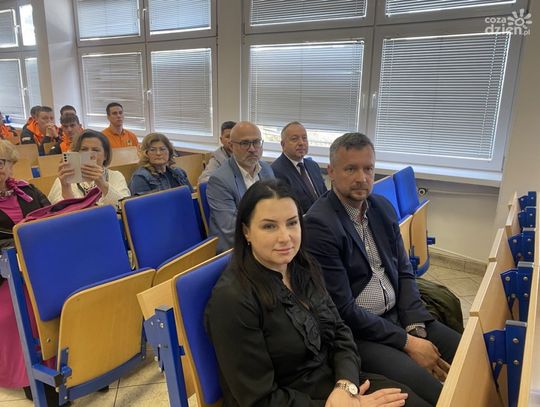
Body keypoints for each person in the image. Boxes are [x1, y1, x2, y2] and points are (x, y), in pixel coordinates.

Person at [206, 179, 431, 407]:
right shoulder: (233, 299)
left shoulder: (302, 266)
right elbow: (258, 399)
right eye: (269, 226)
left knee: (422, 400)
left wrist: (345, 386)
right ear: (246, 231)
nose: (285, 237)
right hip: (292, 401)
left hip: (338, 387)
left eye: (292, 223)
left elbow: (341, 333)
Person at [304, 133, 461, 406]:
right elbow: (344, 310)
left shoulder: (381, 208)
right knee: (434, 393)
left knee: (471, 353)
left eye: (368, 168)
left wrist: (415, 327)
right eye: (350, 169)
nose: (361, 178)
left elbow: (404, 271)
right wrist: (407, 342)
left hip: (399, 314)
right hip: (360, 333)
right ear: (331, 172)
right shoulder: (320, 224)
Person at [0, 140, 52, 399]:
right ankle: (29, 375)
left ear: (10, 165)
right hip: (5, 276)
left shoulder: (28, 190)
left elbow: (51, 218)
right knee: (18, 310)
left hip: (40, 265)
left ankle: (72, 364)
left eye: (1, 162)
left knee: (66, 298)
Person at [207, 121, 274, 252]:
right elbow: (231, 229)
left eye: (256, 142)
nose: (252, 149)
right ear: (231, 146)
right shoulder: (219, 180)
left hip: (266, 238)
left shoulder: (266, 169)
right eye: (245, 143)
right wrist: (270, 237)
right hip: (235, 249)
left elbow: (275, 205)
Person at [48, 129, 130, 207]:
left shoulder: (116, 176)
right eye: (84, 149)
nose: (89, 154)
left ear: (105, 155)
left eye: (96, 150)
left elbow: (125, 208)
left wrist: (103, 185)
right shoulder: (64, 179)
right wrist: (66, 188)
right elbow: (60, 213)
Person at [272, 121, 327, 213]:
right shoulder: (276, 171)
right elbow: (288, 209)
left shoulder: (313, 165)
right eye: (294, 139)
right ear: (283, 145)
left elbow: (324, 195)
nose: (301, 143)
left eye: (304, 138)